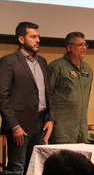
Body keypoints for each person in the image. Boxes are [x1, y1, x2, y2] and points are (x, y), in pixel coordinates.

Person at [0, 22, 55, 175]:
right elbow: (2, 96)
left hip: (41, 125)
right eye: (33, 37)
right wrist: (14, 126)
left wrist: (51, 119)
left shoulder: (42, 61)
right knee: (18, 168)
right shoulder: (9, 61)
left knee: (37, 168)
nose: (38, 40)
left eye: (38, 37)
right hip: (20, 127)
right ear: (21, 39)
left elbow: (48, 93)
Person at [48, 32, 93, 143]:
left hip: (81, 125)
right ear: (69, 47)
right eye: (79, 45)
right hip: (62, 126)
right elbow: (47, 95)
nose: (83, 48)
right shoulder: (57, 67)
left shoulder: (87, 68)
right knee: (62, 159)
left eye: (85, 45)